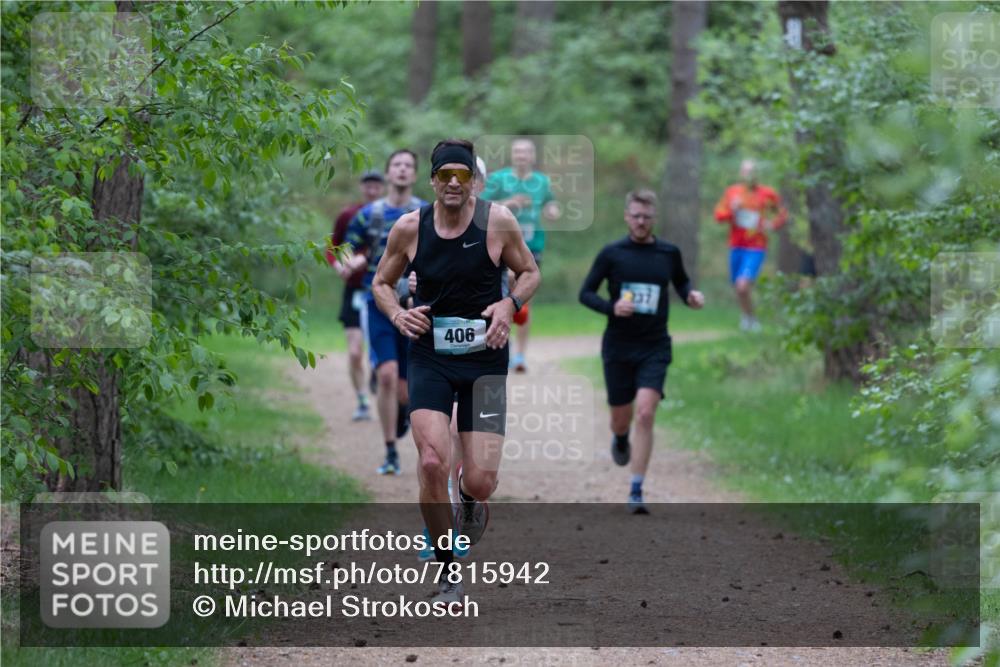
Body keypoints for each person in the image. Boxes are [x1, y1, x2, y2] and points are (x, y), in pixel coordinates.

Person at [373, 139, 540, 602]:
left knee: (483, 479)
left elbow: (530, 272)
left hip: (485, 359)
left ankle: (469, 500)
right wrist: (396, 315)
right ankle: (447, 570)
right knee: (430, 460)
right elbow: (381, 283)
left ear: (472, 182)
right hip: (430, 356)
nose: (452, 182)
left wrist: (510, 303)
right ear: (432, 180)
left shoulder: (497, 222)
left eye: (461, 175)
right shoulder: (409, 229)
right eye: (444, 174)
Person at [579, 189, 704, 514]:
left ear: (654, 219)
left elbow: (682, 282)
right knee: (621, 419)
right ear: (626, 216)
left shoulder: (668, 252)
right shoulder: (612, 253)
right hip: (618, 347)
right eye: (635, 215)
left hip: (654, 345)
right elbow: (585, 293)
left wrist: (691, 296)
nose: (640, 221)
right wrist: (611, 306)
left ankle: (636, 489)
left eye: (646, 217)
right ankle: (620, 439)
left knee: (646, 413)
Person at [343, 150, 427, 475]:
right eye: (397, 165)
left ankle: (401, 413)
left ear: (415, 174)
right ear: (389, 173)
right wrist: (352, 261)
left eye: (409, 165)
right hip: (376, 301)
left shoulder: (425, 212)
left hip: (414, 304)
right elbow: (347, 246)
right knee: (388, 374)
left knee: (406, 388)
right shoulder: (369, 214)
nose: (403, 170)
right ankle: (390, 450)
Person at [481, 138, 560, 373]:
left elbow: (550, 203)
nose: (521, 155)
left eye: (526, 152)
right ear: (512, 155)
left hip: (532, 245)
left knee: (525, 301)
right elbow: (480, 204)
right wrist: (510, 203)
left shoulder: (541, 182)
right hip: (501, 245)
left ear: (532, 156)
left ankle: (520, 356)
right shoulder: (499, 179)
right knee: (500, 293)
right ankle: (501, 336)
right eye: (517, 151)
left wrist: (553, 210)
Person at [327, 170, 385, 421]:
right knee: (354, 351)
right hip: (354, 290)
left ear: (381, 189)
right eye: (368, 186)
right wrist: (339, 264)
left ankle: (379, 379)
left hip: (380, 290)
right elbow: (333, 246)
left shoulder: (388, 216)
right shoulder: (349, 215)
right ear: (362, 188)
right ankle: (362, 400)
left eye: (376, 186)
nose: (372, 191)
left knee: (379, 350)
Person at [713, 159, 787, 332]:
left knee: (742, 285)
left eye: (752, 171)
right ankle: (748, 316)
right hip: (736, 245)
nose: (749, 175)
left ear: (757, 174)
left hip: (756, 246)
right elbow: (718, 216)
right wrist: (732, 209)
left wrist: (772, 224)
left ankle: (750, 319)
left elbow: (782, 213)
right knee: (738, 288)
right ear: (741, 174)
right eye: (746, 171)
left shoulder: (767, 194)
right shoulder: (733, 193)